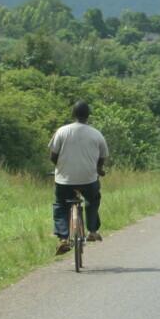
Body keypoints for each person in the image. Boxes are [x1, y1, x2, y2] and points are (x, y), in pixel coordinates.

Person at [49, 101, 109, 255]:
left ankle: (63, 238)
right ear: (88, 116)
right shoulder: (96, 133)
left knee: (61, 205)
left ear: (72, 114)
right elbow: (103, 156)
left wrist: (60, 168)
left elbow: (53, 155)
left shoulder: (62, 131)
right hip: (88, 179)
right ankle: (93, 230)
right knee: (92, 200)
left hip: (64, 180)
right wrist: (99, 170)